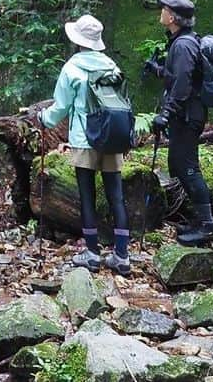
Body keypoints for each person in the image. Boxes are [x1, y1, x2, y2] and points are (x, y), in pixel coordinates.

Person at [38, 14, 131, 275]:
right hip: (112, 138)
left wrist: (42, 119)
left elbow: (60, 108)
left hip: (84, 139)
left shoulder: (72, 68)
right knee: (116, 196)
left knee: (87, 197)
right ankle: (122, 256)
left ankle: (92, 254)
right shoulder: (111, 65)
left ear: (78, 40)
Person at [145, 0, 213, 246]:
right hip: (186, 115)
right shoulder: (182, 42)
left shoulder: (183, 45)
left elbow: (183, 84)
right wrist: (157, 69)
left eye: (164, 10)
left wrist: (166, 113)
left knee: (187, 167)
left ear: (173, 17)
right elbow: (177, 76)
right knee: (179, 164)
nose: (161, 13)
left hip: (187, 116)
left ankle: (208, 225)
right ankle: (201, 220)